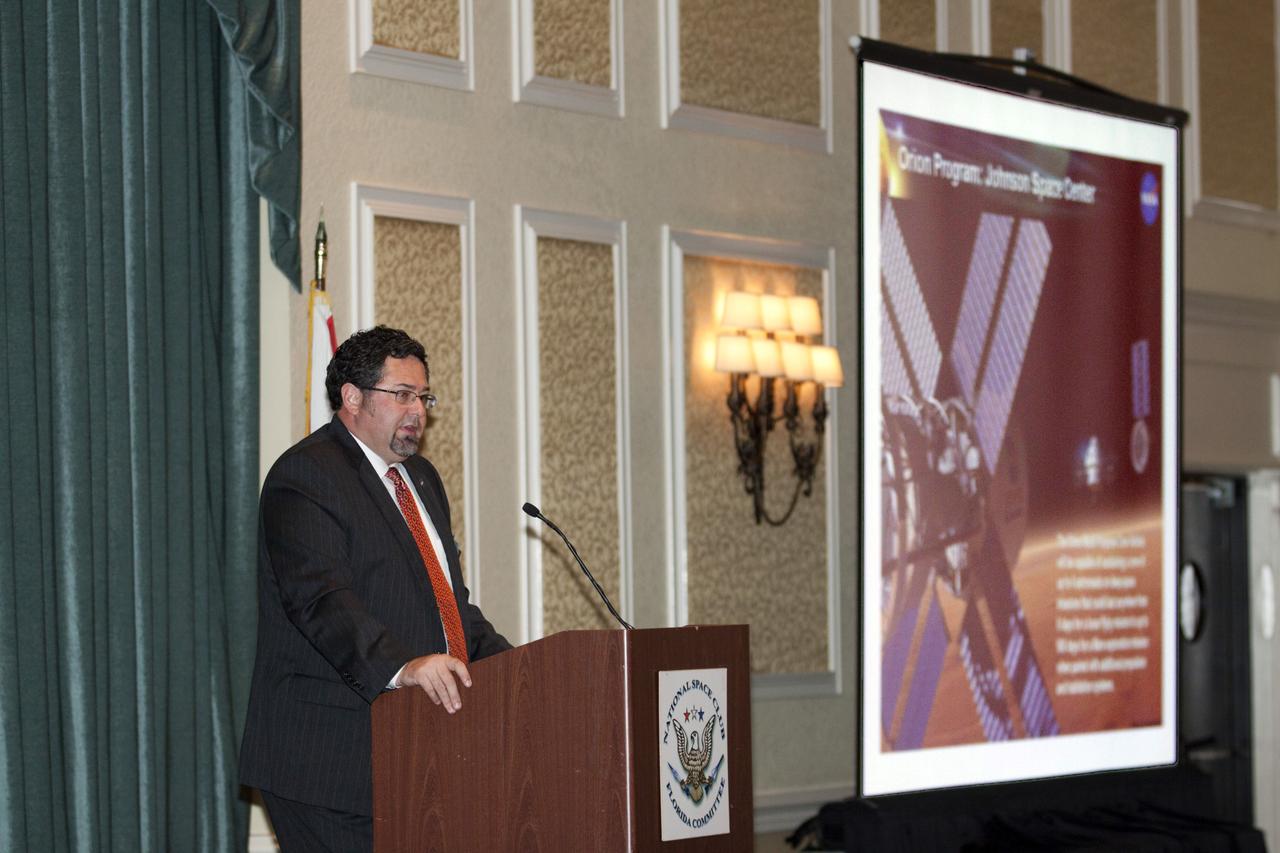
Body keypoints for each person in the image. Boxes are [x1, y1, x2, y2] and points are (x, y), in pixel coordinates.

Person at [240, 325, 511, 851]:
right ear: (353, 397)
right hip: (327, 759)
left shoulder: (422, 480)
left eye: (424, 396)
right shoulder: (306, 475)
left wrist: (518, 671)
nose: (418, 411)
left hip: (411, 751)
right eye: (402, 395)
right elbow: (321, 602)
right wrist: (405, 667)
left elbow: (449, 607)